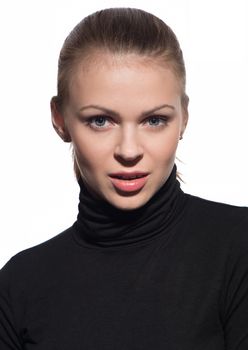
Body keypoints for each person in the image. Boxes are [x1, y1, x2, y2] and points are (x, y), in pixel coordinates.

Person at [0, 7, 248, 350]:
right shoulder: (19, 285)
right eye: (100, 121)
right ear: (60, 119)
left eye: (154, 120)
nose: (129, 150)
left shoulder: (237, 247)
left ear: (184, 118)